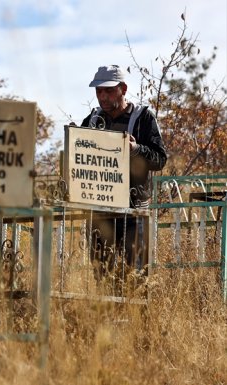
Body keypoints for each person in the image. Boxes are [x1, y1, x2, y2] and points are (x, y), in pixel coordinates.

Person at [80, 65, 167, 287]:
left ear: (123, 89)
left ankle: (137, 320)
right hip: (99, 211)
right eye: (99, 91)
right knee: (102, 276)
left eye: (109, 91)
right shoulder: (91, 121)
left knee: (136, 276)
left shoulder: (143, 119)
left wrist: (137, 149)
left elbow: (160, 159)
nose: (103, 97)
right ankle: (106, 318)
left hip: (134, 212)